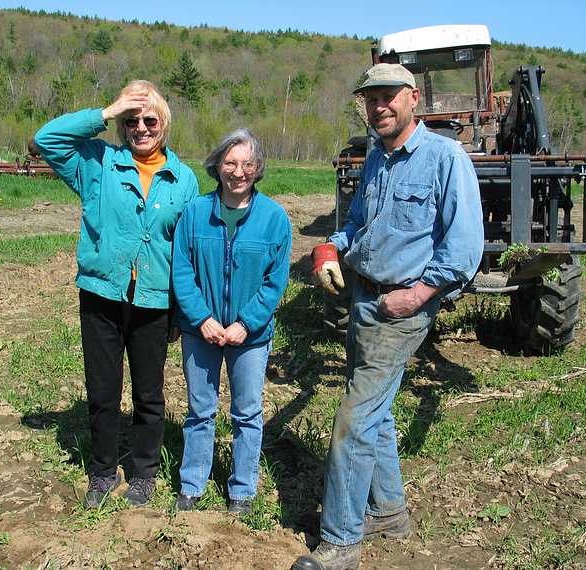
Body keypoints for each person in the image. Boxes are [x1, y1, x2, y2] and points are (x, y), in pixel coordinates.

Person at [293, 64, 484, 570]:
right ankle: (388, 511)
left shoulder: (445, 158)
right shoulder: (377, 158)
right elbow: (357, 223)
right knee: (374, 413)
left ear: (413, 98)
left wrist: (418, 294)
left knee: (353, 422)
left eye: (387, 97)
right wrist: (330, 250)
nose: (378, 106)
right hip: (363, 299)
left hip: (400, 307)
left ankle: (340, 542)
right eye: (370, 98)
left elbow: (464, 248)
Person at [34, 80, 199, 508]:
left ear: (164, 122)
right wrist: (106, 111)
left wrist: (180, 311)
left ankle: (144, 473)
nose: (140, 127)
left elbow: (188, 251)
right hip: (101, 297)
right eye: (131, 120)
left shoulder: (184, 181)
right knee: (103, 391)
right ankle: (103, 471)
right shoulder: (98, 164)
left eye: (149, 119)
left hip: (153, 301)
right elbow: (45, 139)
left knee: (149, 394)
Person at [172, 128, 291, 515]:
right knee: (200, 411)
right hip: (200, 332)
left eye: (247, 164)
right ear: (217, 166)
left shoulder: (274, 219)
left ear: (258, 169)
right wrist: (202, 318)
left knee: (247, 413)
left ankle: (242, 489)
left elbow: (275, 282)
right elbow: (182, 272)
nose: (238, 171)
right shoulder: (194, 214)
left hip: (250, 337)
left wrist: (246, 323)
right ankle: (192, 483)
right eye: (230, 162)